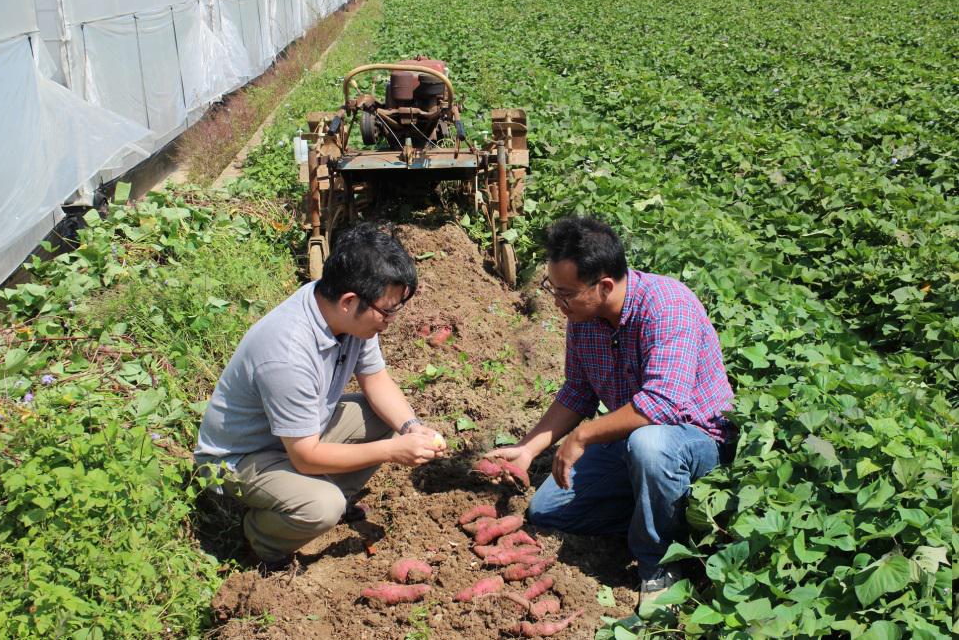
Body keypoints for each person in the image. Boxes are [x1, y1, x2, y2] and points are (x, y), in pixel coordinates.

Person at [486, 216, 734, 607]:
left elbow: (663, 404)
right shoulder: (584, 317)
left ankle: (659, 564)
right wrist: (529, 449)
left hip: (694, 440)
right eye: (554, 290)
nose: (558, 303)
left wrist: (583, 435)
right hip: (630, 441)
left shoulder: (668, 305)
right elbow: (578, 390)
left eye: (566, 294)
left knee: (650, 445)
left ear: (604, 286)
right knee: (547, 511)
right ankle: (661, 514)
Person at [194, 224, 445, 571]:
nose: (390, 321)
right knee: (322, 506)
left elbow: (377, 381)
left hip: (298, 436)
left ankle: (314, 499)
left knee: (383, 418)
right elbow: (305, 457)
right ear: (349, 302)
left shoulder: (348, 315)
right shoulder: (286, 353)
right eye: (387, 311)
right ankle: (259, 537)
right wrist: (392, 451)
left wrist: (411, 427)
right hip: (242, 459)